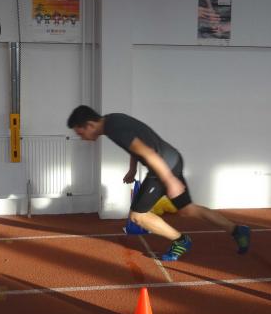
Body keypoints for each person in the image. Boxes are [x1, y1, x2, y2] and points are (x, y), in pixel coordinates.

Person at [67, 105, 251, 261]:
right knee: (188, 209)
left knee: (138, 216)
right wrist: (132, 169)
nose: (82, 137)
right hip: (173, 159)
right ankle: (237, 230)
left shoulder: (115, 129)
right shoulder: (112, 120)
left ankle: (181, 241)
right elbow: (136, 145)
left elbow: (148, 153)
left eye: (80, 132)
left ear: (90, 125)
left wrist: (170, 180)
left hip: (162, 166)